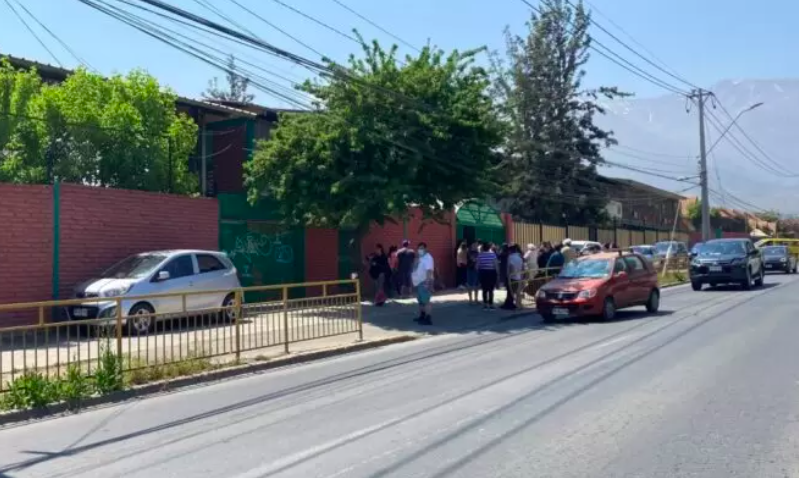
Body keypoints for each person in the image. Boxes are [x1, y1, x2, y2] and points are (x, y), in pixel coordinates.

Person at [412, 242, 435, 325]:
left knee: (426, 301)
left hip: (424, 282)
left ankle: (428, 318)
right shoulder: (420, 258)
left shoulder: (428, 258)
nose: (420, 250)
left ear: (426, 249)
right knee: (420, 301)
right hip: (418, 282)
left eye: (422, 248)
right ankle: (422, 316)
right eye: (419, 248)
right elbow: (415, 268)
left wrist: (427, 282)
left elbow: (429, 270)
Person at [477, 242, 499, 309]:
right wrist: (498, 273)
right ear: (489, 248)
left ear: (483, 248)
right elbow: (496, 265)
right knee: (491, 289)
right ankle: (491, 304)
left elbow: (477, 266)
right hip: (491, 273)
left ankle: (485, 304)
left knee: (484, 289)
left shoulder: (480, 255)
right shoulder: (493, 255)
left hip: (483, 273)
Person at [502, 244, 524, 310]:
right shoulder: (520, 257)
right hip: (519, 277)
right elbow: (523, 268)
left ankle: (512, 304)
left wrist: (507, 276)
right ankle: (519, 305)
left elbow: (509, 268)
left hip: (512, 277)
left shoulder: (510, 257)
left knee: (510, 291)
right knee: (518, 292)